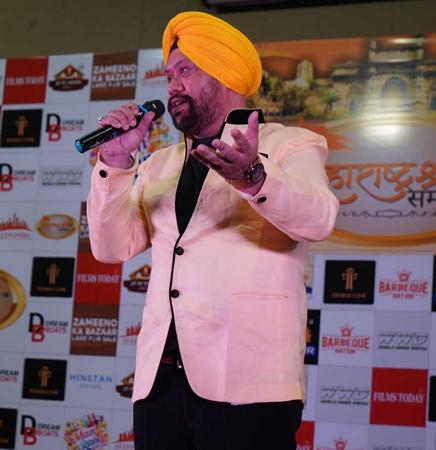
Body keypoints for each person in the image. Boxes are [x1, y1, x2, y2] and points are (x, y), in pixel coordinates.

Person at [87, 11, 339, 450]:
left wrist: (253, 177)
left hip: (249, 387)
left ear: (224, 74)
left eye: (185, 71)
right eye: (169, 75)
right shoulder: (158, 165)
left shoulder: (290, 145)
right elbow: (111, 249)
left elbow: (318, 219)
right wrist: (115, 162)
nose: (172, 86)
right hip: (160, 387)